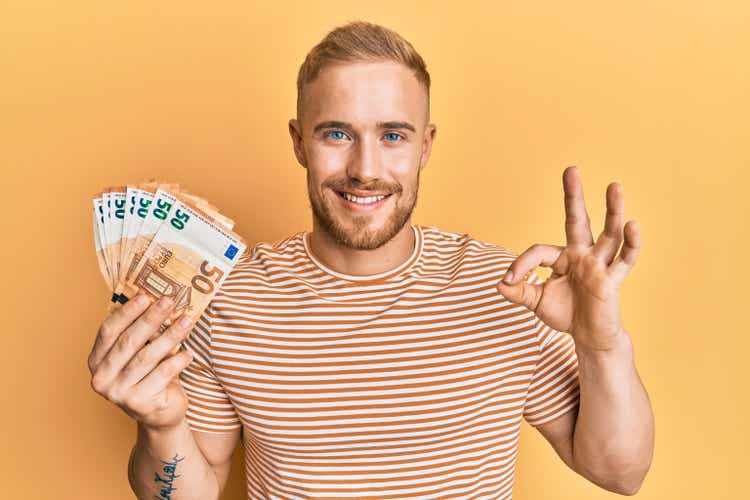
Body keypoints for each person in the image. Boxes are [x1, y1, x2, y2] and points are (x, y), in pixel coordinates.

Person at [88, 20, 654, 500]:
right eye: (337, 133)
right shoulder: (229, 299)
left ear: (425, 146)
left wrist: (601, 344)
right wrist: (160, 426)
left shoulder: (509, 289)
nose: (365, 167)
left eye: (392, 135)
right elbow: (191, 491)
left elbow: (619, 472)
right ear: (298, 142)